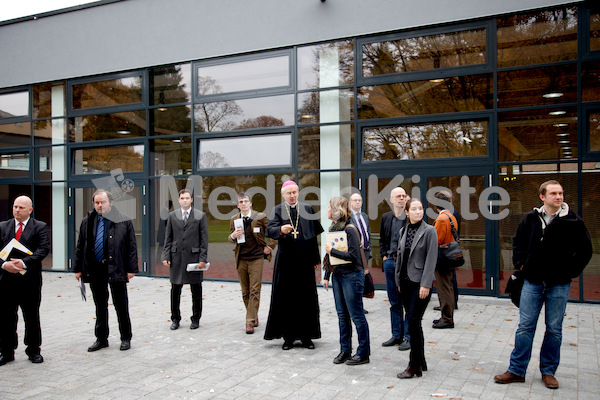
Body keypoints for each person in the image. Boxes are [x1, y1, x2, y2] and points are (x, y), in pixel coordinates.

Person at [494, 180, 592, 390]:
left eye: (561, 193)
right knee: (525, 327)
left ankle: (548, 371)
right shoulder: (530, 219)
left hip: (559, 284)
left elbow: (586, 251)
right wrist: (521, 265)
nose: (559, 197)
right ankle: (517, 370)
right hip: (532, 281)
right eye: (554, 193)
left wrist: (570, 272)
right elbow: (517, 242)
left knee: (554, 329)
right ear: (543, 196)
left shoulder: (573, 221)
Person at [74, 189, 138, 352]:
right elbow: (80, 245)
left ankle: (125, 338)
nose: (100, 205)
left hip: (116, 267)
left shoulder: (123, 220)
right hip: (95, 269)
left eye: (103, 202)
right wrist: (78, 268)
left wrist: (131, 269)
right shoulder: (87, 220)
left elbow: (131, 246)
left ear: (111, 203)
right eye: (97, 202)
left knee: (120, 304)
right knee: (100, 305)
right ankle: (101, 338)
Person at [264, 180, 324, 350]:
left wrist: (316, 260)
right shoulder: (277, 210)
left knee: (306, 298)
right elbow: (270, 230)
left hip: (304, 260)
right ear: (283, 194)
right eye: (288, 193)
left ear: (298, 192)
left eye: (294, 192)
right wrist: (281, 230)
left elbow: (313, 237)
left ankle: (307, 337)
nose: (292, 196)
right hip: (286, 261)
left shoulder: (307, 209)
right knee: (287, 298)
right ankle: (288, 337)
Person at [0, 196, 50, 366]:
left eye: (21, 207)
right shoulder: (3, 226)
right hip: (6, 281)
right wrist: (4, 264)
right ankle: (6, 351)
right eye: (15, 207)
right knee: (6, 317)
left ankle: (34, 350)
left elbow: (43, 249)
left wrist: (23, 263)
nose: (17, 210)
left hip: (30, 281)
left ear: (30, 210)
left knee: (31, 316)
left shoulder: (40, 227)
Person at [322, 197, 370, 366]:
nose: (327, 210)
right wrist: (327, 276)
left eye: (329, 206)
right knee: (342, 316)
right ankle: (345, 350)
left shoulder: (350, 229)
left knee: (356, 315)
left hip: (351, 276)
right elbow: (329, 257)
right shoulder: (334, 228)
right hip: (338, 276)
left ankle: (363, 353)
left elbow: (354, 257)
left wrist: (332, 250)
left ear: (336, 210)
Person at [394, 198, 437, 378]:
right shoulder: (403, 230)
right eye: (414, 209)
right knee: (414, 322)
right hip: (405, 283)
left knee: (412, 321)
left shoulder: (429, 231)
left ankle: (414, 366)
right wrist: (397, 281)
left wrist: (426, 284)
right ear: (407, 212)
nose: (418, 211)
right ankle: (421, 361)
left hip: (420, 284)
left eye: (420, 209)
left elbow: (431, 258)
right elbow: (400, 257)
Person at [229, 192, 276, 334]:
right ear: (238, 205)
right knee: (245, 291)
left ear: (250, 203)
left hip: (256, 258)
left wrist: (269, 247)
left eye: (246, 201)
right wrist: (233, 236)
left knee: (255, 290)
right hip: (241, 258)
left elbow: (273, 231)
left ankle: (249, 321)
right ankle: (253, 314)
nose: (243, 204)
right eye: (241, 202)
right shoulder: (234, 219)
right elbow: (230, 237)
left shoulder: (260, 217)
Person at [162, 189, 208, 330]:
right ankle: (175, 319)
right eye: (182, 198)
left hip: (194, 258)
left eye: (187, 198)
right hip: (176, 258)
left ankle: (195, 319)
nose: (185, 200)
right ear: (179, 200)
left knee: (196, 290)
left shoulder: (200, 216)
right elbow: (168, 238)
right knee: (175, 290)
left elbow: (204, 239)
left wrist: (203, 258)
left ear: (192, 200)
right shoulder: (172, 216)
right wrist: (166, 256)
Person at [379, 187, 410, 351]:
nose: (401, 198)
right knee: (394, 301)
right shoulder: (386, 217)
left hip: (405, 265)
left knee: (407, 301)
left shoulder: (411, 217)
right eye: (398, 196)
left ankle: (408, 336)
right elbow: (383, 239)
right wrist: (384, 256)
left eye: (403, 196)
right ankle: (396, 335)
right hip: (390, 262)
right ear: (391, 200)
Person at [432, 191, 458, 329]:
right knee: (447, 285)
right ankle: (446, 315)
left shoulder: (442, 219)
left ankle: (447, 318)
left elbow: (436, 239)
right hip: (449, 256)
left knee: (443, 288)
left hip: (442, 257)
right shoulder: (450, 216)